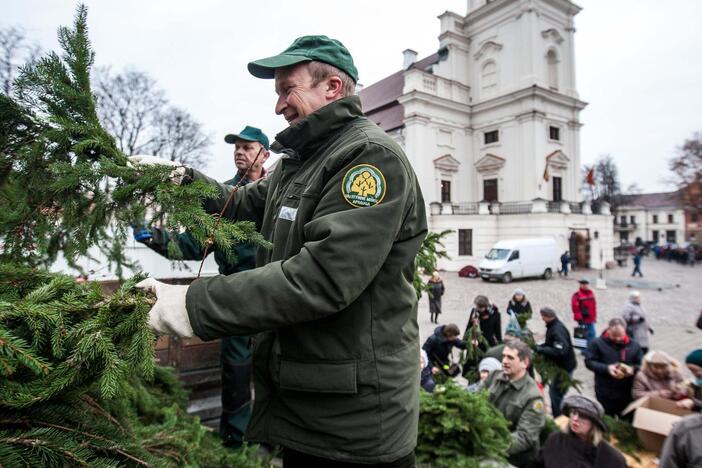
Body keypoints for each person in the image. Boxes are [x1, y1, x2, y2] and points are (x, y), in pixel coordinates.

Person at [132, 35, 427, 466]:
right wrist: (181, 178)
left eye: (288, 90)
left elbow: (320, 279)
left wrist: (188, 304)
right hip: (308, 401)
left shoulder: (368, 158)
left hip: (353, 422)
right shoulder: (299, 160)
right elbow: (245, 203)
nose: (278, 106)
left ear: (333, 88)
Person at [134, 125, 270, 447]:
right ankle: (234, 441)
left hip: (274, 292)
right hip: (235, 296)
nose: (239, 151)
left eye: (247, 147)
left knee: (273, 366)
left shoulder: (276, 194)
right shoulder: (221, 199)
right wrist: (153, 237)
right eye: (235, 147)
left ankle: (270, 439)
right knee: (236, 369)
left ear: (264, 154)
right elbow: (194, 246)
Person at [484, 341, 545, 467]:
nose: (504, 361)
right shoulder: (495, 376)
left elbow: (525, 436)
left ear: (525, 363)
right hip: (488, 444)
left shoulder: (533, 397)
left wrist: (491, 445)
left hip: (515, 459)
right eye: (504, 356)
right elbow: (476, 399)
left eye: (510, 357)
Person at [536, 395, 627, 468]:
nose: (575, 419)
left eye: (582, 416)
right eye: (574, 413)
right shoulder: (555, 440)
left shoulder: (611, 458)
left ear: (594, 423)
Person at [585, 318, 643, 417]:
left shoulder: (634, 345)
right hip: (605, 392)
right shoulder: (597, 343)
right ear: (608, 330)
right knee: (606, 419)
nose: (617, 339)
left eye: (620, 336)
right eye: (613, 336)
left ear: (625, 331)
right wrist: (607, 368)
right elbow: (589, 362)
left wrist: (632, 369)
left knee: (626, 419)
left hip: (627, 392)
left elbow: (641, 364)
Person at [536, 307, 577, 417]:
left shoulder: (557, 330)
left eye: (543, 316)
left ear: (547, 317)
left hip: (563, 368)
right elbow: (552, 344)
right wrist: (541, 346)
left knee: (556, 394)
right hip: (563, 366)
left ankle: (559, 417)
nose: (542, 319)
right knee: (556, 393)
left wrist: (542, 350)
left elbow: (560, 350)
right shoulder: (553, 326)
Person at [572, 278, 597, 348]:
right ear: (580, 285)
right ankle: (584, 349)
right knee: (583, 334)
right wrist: (579, 318)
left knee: (592, 333)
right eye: (583, 284)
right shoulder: (577, 295)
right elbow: (575, 308)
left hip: (590, 318)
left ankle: (591, 348)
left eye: (586, 284)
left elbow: (594, 306)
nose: (585, 286)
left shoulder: (591, 293)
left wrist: (594, 317)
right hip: (583, 319)